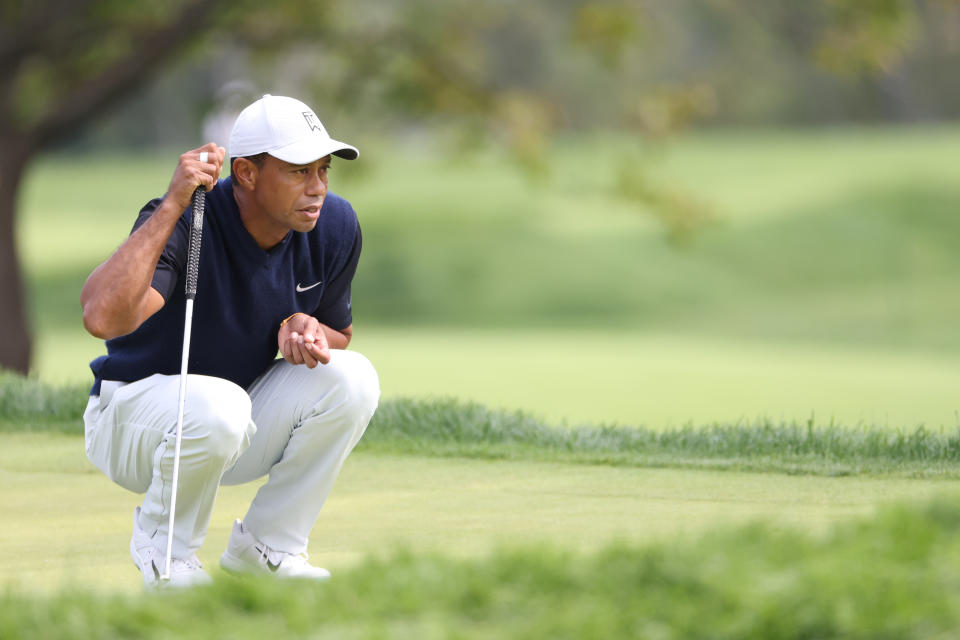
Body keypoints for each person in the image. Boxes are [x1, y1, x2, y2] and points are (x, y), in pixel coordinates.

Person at [80, 94, 380, 588]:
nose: (318, 188)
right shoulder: (187, 220)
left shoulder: (335, 226)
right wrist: (174, 203)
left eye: (323, 170)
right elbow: (102, 317)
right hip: (131, 425)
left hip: (232, 424)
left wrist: (303, 327)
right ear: (245, 174)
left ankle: (267, 549)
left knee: (353, 378)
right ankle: (165, 553)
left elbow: (339, 334)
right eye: (299, 172)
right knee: (221, 404)